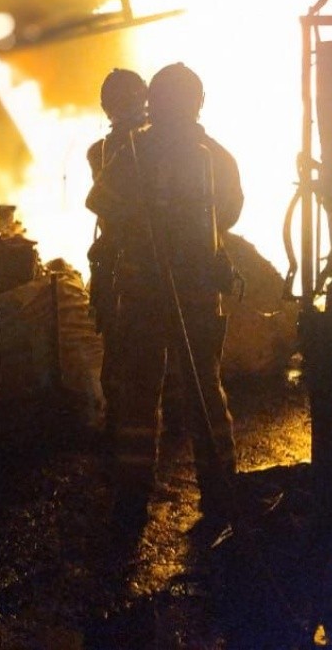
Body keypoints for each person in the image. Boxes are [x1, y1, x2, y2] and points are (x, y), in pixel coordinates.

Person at [87, 62, 242, 529]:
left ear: (153, 102)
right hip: (197, 291)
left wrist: (140, 220)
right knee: (204, 391)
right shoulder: (214, 154)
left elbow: (101, 204)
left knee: (138, 394)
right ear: (198, 102)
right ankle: (219, 492)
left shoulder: (132, 152)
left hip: (142, 293)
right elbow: (231, 211)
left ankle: (132, 500)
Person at [86, 68, 148, 337]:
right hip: (141, 267)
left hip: (123, 268)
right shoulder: (162, 145)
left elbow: (101, 205)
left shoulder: (101, 151)